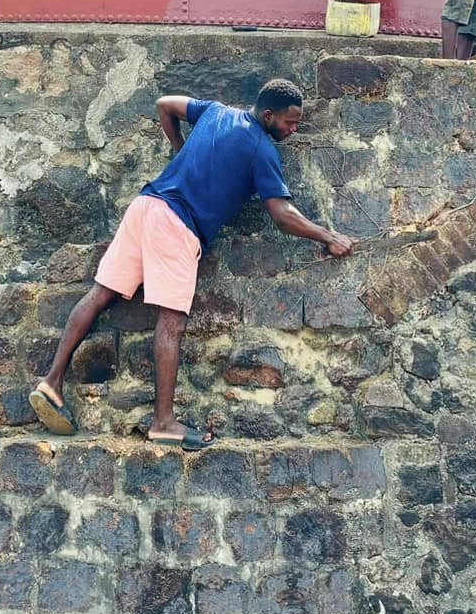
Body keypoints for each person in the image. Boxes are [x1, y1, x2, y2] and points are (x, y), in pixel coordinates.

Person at [30, 80, 357, 449]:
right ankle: (164, 421)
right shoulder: (261, 150)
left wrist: (179, 149)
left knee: (100, 294)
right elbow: (281, 213)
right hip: (176, 225)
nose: (293, 130)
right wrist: (329, 237)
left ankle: (51, 382)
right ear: (268, 116)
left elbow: (164, 104)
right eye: (290, 123)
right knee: (172, 321)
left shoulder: (215, 111)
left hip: (146, 206)